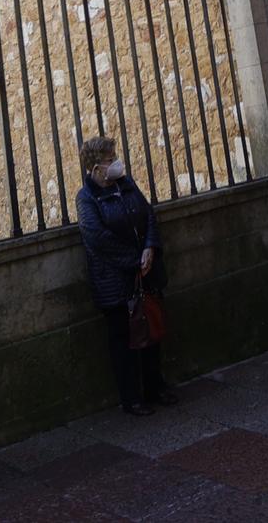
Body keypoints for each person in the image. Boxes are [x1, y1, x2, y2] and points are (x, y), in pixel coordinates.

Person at [76, 134, 173, 415]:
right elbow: (97, 238)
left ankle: (155, 386)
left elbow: (148, 215)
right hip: (115, 281)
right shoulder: (86, 199)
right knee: (124, 340)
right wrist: (134, 260)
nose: (116, 164)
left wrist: (150, 248)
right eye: (109, 161)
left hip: (144, 273)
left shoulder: (126, 185)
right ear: (96, 169)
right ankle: (131, 398)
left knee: (151, 331)